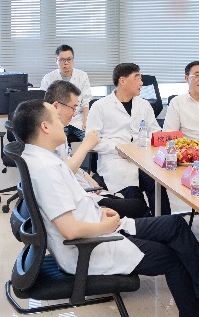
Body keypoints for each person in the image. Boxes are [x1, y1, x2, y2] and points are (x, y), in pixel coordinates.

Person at [14, 100, 199, 317]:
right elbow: (70, 230)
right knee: (174, 257)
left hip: (99, 228)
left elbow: (70, 206)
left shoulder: (40, 160)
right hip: (91, 247)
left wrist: (98, 210)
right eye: (56, 117)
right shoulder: (46, 170)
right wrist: (105, 226)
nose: (64, 122)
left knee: (175, 225)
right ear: (45, 127)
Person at [44, 79, 145, 219]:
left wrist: (87, 177)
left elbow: (65, 161)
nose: (74, 114)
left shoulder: (58, 130)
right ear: (56, 106)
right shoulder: (49, 137)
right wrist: (86, 145)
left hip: (87, 189)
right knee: (138, 207)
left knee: (136, 201)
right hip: (80, 199)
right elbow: (63, 174)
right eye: (73, 108)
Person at [87, 62, 160, 214]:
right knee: (133, 195)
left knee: (157, 185)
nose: (141, 83)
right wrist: (119, 149)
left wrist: (143, 145)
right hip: (115, 160)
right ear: (122, 80)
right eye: (137, 78)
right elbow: (92, 140)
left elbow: (155, 132)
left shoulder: (144, 105)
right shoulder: (100, 106)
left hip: (142, 158)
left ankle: (165, 221)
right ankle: (142, 222)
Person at [39, 44, 91, 143]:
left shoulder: (82, 76)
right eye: (62, 60)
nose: (66, 63)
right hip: (57, 120)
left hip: (78, 119)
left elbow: (86, 101)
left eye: (69, 59)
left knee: (91, 142)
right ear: (56, 60)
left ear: (73, 60)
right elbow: (44, 104)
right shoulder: (48, 78)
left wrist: (86, 121)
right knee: (57, 145)